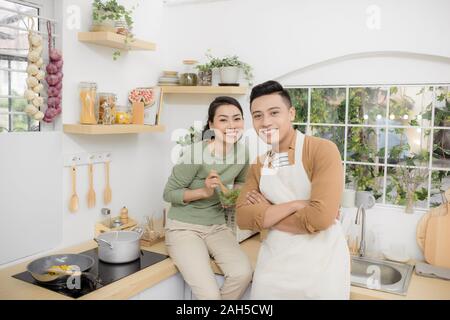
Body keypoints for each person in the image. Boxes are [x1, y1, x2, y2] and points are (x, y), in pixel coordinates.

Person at [236, 80, 350, 300]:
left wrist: (267, 213)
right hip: (272, 268)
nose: (265, 122)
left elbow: (320, 219)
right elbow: (242, 217)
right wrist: (297, 205)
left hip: (319, 271)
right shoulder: (260, 164)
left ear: (291, 113)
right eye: (257, 115)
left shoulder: (321, 150)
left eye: (274, 112)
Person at [163, 96, 252, 300]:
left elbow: (237, 192)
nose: (231, 125)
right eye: (223, 119)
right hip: (183, 228)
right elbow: (168, 193)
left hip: (217, 226)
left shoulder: (244, 154)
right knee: (209, 295)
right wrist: (203, 192)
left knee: (243, 273)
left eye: (237, 118)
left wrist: (230, 197)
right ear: (211, 124)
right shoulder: (196, 153)